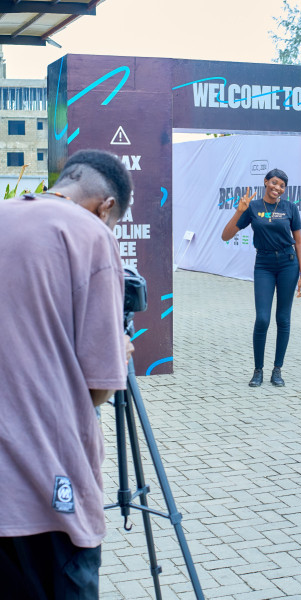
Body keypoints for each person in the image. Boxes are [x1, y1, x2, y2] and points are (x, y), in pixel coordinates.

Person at [0, 149, 135, 600]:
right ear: (106, 207)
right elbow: (98, 388)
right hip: (49, 489)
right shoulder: (92, 235)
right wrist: (121, 352)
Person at [222, 168, 301, 387]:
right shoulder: (252, 207)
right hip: (264, 265)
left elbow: (298, 242)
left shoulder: (290, 208)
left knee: (283, 319)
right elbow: (226, 236)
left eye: (282, 186)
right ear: (266, 182)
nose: (277, 188)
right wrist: (239, 212)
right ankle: (257, 370)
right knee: (262, 319)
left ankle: (277, 370)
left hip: (288, 264)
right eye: (274, 183)